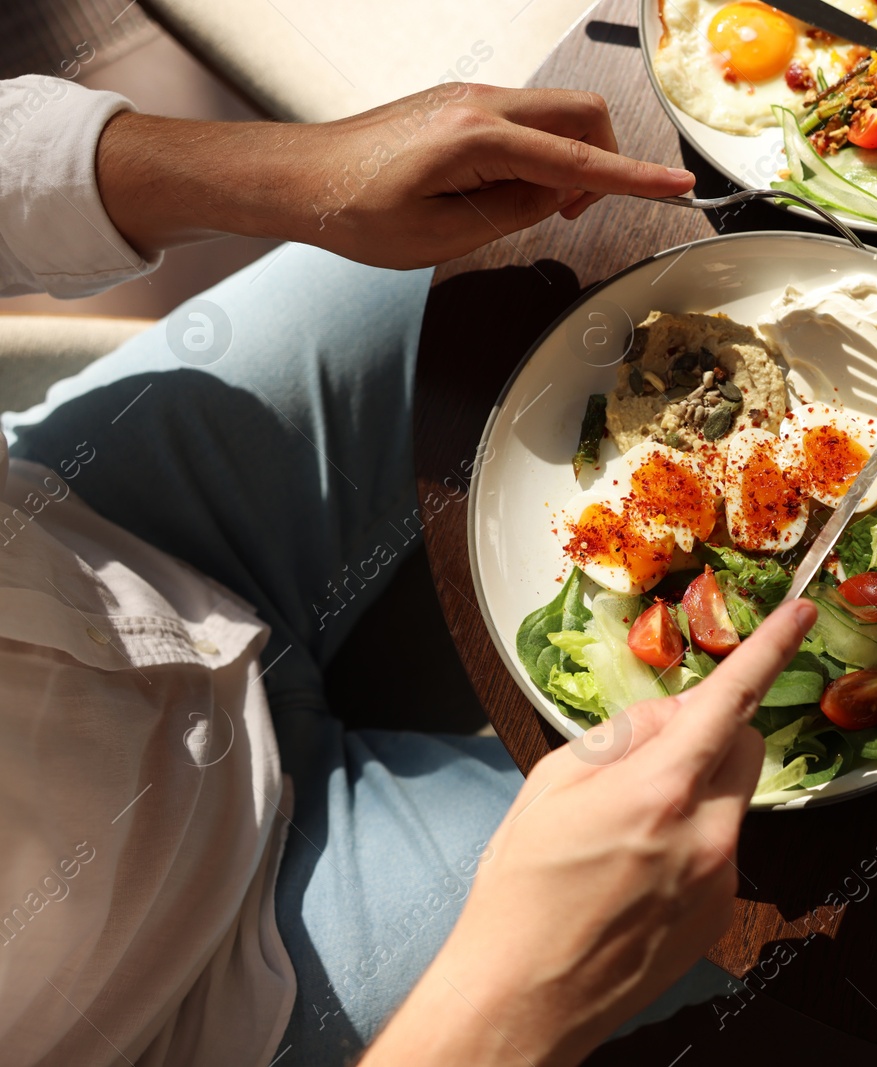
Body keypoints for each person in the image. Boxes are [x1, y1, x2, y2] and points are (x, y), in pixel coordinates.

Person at [0, 73, 817, 1067]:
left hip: (95, 518)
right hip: (199, 988)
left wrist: (294, 170)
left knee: (558, 233)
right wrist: (507, 1003)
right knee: (782, 876)